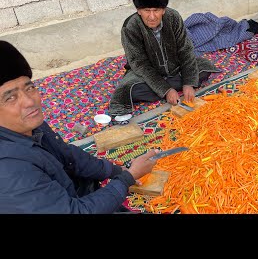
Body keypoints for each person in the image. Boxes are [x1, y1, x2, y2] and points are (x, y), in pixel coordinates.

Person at [0, 40, 160, 213]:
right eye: (10, 98)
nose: (30, 101)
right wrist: (127, 178)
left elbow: (68, 155)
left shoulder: (30, 125)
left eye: (29, 88)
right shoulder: (9, 169)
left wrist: (113, 170)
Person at [109, 0, 219, 116]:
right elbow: (139, 64)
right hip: (148, 73)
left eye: (156, 10)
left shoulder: (173, 17)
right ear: (138, 10)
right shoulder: (130, 27)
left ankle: (176, 84)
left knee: (202, 69)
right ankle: (170, 86)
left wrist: (189, 83)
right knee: (130, 89)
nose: (152, 16)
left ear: (164, 9)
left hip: (175, 67)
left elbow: (185, 49)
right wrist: (166, 90)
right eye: (146, 10)